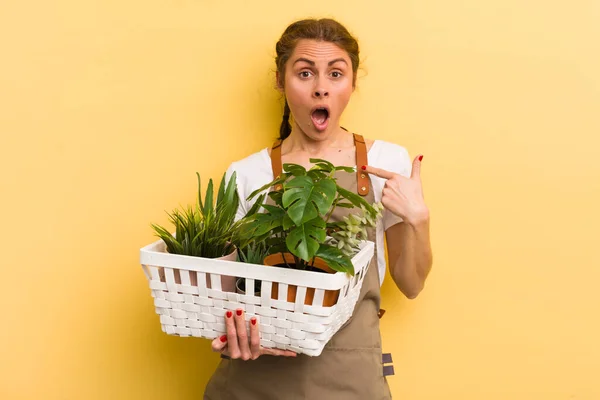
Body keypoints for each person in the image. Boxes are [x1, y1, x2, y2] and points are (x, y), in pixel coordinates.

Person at [203, 17, 433, 400]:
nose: (321, 89)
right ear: (281, 80)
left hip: (350, 377)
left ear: (353, 83)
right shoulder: (245, 174)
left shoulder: (386, 161)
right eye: (305, 73)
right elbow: (226, 295)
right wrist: (230, 332)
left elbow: (410, 284)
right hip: (252, 378)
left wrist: (418, 219)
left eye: (336, 74)